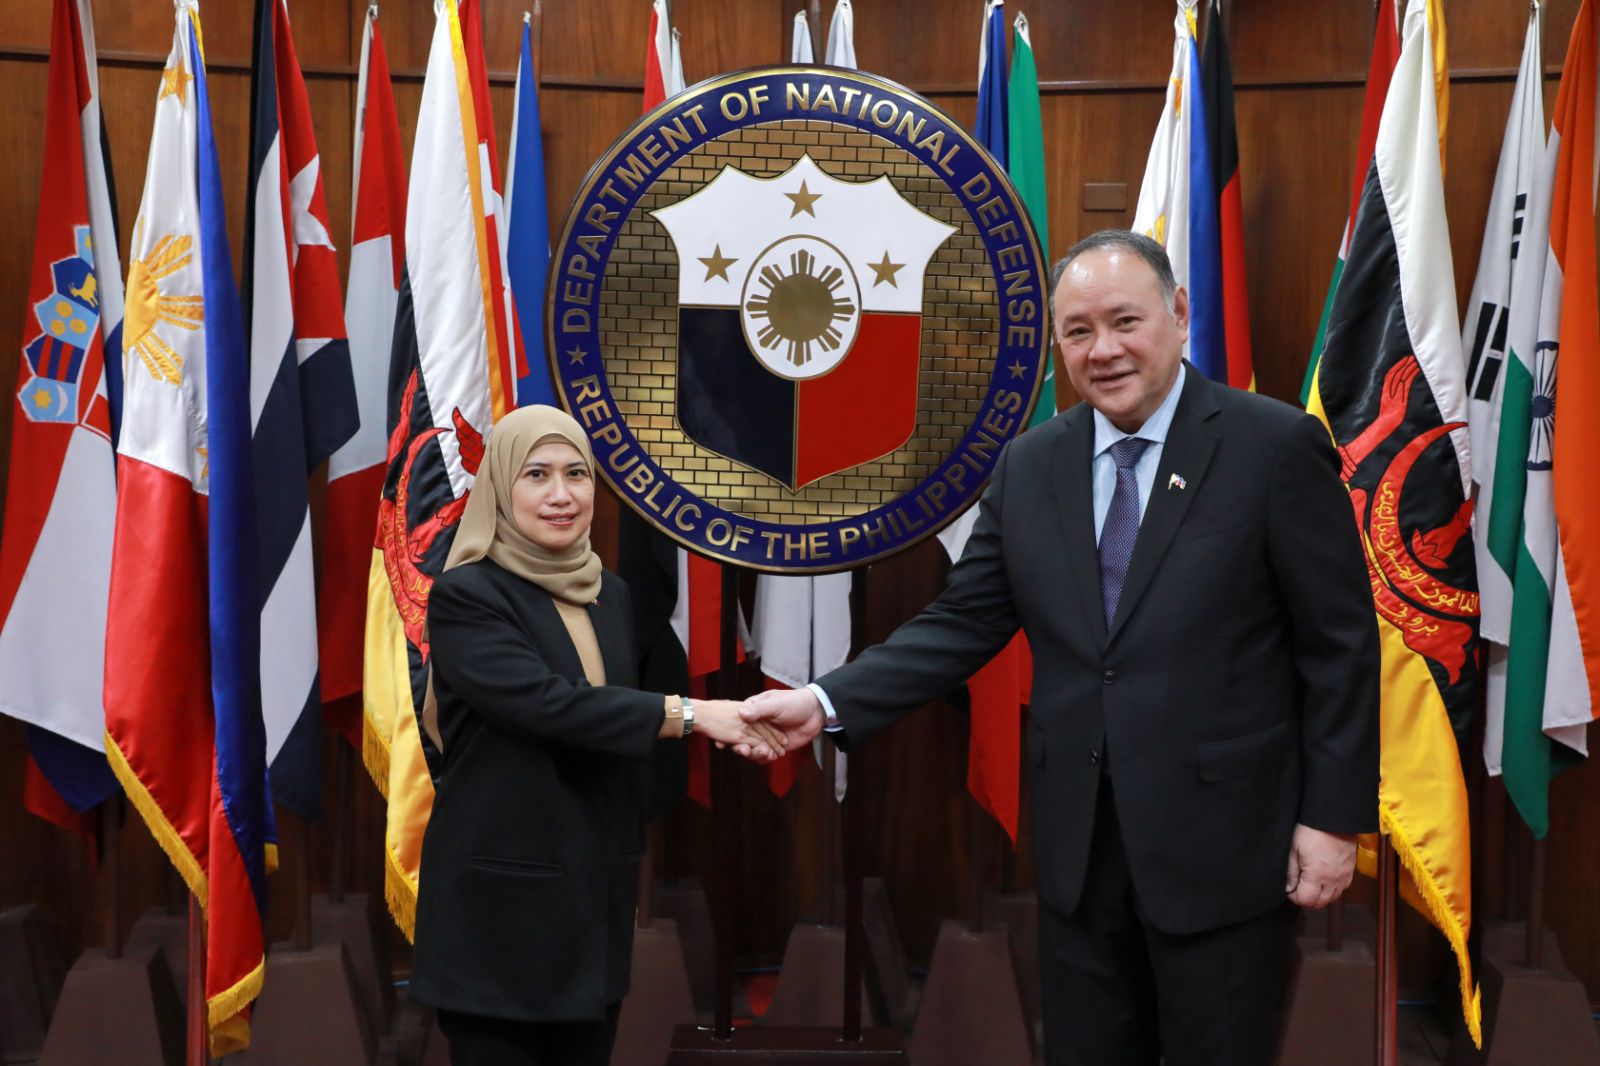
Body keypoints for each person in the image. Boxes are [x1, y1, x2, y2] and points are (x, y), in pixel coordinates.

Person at [742, 230, 1380, 1066]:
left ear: (1179, 313)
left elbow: (1339, 646)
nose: (1102, 350)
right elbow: (962, 622)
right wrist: (825, 701)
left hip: (1224, 847)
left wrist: (1331, 821)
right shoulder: (1031, 465)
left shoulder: (1274, 446)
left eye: (1125, 321)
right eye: (1078, 331)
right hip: (1080, 853)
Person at [408, 405, 783, 1066]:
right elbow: (551, 706)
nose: (561, 494)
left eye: (576, 473)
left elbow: (610, 735)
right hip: (501, 918)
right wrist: (695, 715)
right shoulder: (468, 596)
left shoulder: (609, 593)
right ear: (501, 486)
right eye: (537, 475)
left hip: (593, 910)